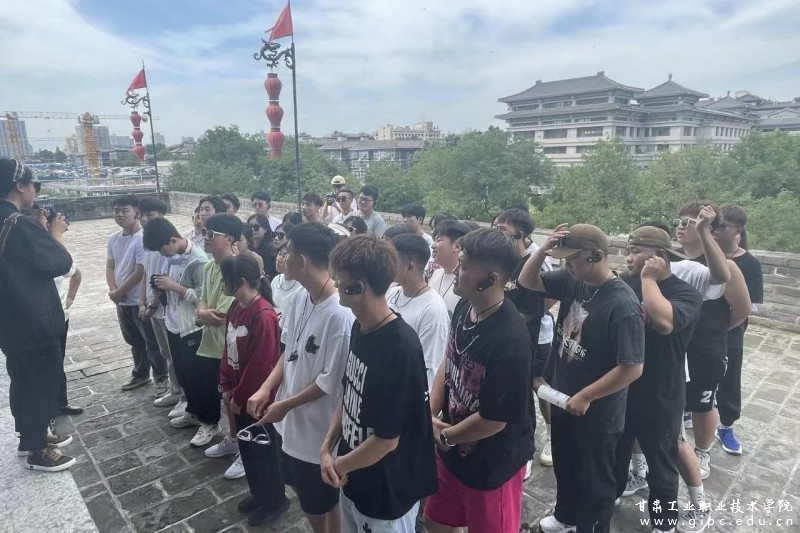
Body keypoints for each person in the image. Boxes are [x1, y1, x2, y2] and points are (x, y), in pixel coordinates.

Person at [518, 223, 645, 533]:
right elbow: (526, 281)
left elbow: (632, 367)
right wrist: (543, 250)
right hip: (563, 397)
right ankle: (565, 516)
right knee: (566, 465)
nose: (568, 265)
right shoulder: (573, 280)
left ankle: (591, 527)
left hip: (598, 412)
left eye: (574, 259)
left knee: (595, 482)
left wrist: (587, 395)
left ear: (596, 256)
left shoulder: (622, 304)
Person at [321, 234, 437, 532]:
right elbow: (349, 391)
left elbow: (387, 440)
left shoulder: (400, 348)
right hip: (354, 476)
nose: (334, 283)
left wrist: (338, 464)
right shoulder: (360, 326)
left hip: (387, 493)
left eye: (339, 278)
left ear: (358, 287)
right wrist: (328, 447)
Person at [424, 229, 533, 533]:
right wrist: (429, 414)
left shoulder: (511, 340)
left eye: (464, 265)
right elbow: (449, 359)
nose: (454, 271)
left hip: (492, 464)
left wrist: (446, 436)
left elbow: (494, 420)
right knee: (436, 521)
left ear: (491, 279)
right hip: (452, 446)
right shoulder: (465, 305)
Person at [249, 222, 354, 533]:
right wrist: (267, 388)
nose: (282, 257)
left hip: (316, 431)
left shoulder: (340, 315)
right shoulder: (298, 298)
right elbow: (289, 351)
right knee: (300, 490)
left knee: (321, 501)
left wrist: (285, 405)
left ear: (303, 260)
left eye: (288, 251)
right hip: (289, 423)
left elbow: (329, 382)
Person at [614, 225, 703, 533]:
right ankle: (609, 497)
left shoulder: (686, 293)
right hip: (623, 388)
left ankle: (664, 524)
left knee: (662, 464)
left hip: (661, 396)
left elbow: (664, 321)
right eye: (628, 251)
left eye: (636, 252)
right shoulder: (625, 283)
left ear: (660, 256)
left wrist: (649, 279)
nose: (628, 258)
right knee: (616, 451)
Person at [0, 158, 76, 471]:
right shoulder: (20, 223)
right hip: (34, 319)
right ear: (20, 186)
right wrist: (55, 233)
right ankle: (38, 450)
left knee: (22, 378)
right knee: (41, 382)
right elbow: (60, 262)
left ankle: (29, 437)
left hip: (9, 319)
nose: (35, 190)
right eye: (34, 184)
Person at [675, 202, 750, 482]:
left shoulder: (724, 266)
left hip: (706, 346)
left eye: (688, 222)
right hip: (674, 344)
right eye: (679, 221)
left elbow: (741, 310)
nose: (681, 227)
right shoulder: (671, 260)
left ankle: (702, 451)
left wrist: (715, 329)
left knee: (703, 402)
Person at [218, 254, 289, 526]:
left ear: (241, 281)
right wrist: (226, 384)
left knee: (265, 452)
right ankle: (259, 493)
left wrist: (239, 396)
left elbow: (261, 363)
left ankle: (275, 499)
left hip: (258, 400)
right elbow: (228, 349)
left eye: (226, 280)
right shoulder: (236, 307)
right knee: (248, 449)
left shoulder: (263, 314)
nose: (223, 285)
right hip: (238, 394)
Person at [493, 208, 547, 478]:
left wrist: (497, 316)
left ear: (521, 235)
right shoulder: (502, 262)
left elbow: (532, 310)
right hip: (496, 343)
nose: (497, 234)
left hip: (522, 344)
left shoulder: (531, 265)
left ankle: (526, 452)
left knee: (524, 398)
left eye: (502, 230)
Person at [713, 204, 763, 455]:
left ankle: (726, 426)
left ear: (738, 232)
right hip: (702, 329)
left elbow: (749, 306)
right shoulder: (706, 254)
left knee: (729, 376)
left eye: (722, 226)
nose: (716, 231)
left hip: (730, 330)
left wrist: (723, 328)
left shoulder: (749, 263)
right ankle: (691, 411)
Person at [107, 195, 168, 393]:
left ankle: (161, 377)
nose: (120, 214)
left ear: (135, 213)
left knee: (151, 341)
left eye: (125, 211)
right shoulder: (113, 239)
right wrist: (113, 291)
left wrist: (121, 291)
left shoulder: (143, 239)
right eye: (116, 211)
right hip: (122, 301)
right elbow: (110, 266)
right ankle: (140, 374)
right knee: (134, 340)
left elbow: (140, 271)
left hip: (136, 299)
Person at [193, 214, 242, 448]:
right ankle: (227, 435)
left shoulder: (236, 268)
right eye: (204, 232)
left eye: (211, 234)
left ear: (230, 239)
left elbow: (222, 315)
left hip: (229, 345)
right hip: (210, 342)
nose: (206, 237)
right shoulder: (209, 266)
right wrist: (203, 313)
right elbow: (202, 299)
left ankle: (238, 440)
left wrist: (201, 315)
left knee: (232, 396)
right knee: (218, 391)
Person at [386, 234, 449, 389]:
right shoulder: (393, 293)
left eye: (392, 261)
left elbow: (430, 368)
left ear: (410, 266)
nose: (386, 266)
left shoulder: (433, 309)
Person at [138, 196, 181, 403]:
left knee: (174, 353)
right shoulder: (147, 242)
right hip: (152, 307)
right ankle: (175, 390)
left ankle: (181, 394)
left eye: (150, 215)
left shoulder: (165, 244)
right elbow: (145, 273)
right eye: (141, 215)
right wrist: (142, 303)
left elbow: (164, 278)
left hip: (164, 307)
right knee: (164, 351)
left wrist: (152, 306)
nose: (144, 219)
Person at [428, 220, 471, 316]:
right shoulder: (436, 274)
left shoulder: (466, 280)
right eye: (434, 241)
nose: (433, 246)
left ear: (457, 247)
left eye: (438, 240)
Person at [270, 243, 303, 327]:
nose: (279, 259)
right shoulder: (276, 280)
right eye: (279, 253)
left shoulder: (300, 288)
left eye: (284, 256)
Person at [246, 214, 277, 280]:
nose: (252, 229)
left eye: (256, 227)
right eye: (250, 227)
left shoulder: (271, 249)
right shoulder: (246, 245)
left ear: (265, 229)